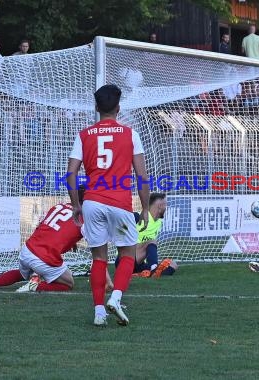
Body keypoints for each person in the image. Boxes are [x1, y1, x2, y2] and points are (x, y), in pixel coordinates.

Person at [67, 84, 150, 327]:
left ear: (96, 107)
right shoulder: (130, 134)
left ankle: (99, 312)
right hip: (120, 202)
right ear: (118, 108)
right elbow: (142, 176)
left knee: (98, 258)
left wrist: (75, 204)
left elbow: (71, 173)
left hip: (92, 202)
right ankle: (116, 297)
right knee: (128, 254)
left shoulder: (84, 135)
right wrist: (145, 207)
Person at [0, 186, 106, 292]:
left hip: (27, 250)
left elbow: (48, 228)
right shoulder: (85, 219)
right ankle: (36, 286)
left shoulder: (58, 206)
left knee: (21, 273)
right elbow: (96, 251)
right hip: (44, 257)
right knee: (68, 283)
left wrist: (72, 240)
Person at [115, 193, 177, 278]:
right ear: (159, 206)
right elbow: (120, 229)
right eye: (165, 204)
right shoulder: (138, 217)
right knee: (152, 241)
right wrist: (126, 243)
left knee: (173, 265)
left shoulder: (158, 223)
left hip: (139, 263)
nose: (166, 207)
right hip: (124, 259)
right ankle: (153, 268)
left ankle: (141, 274)